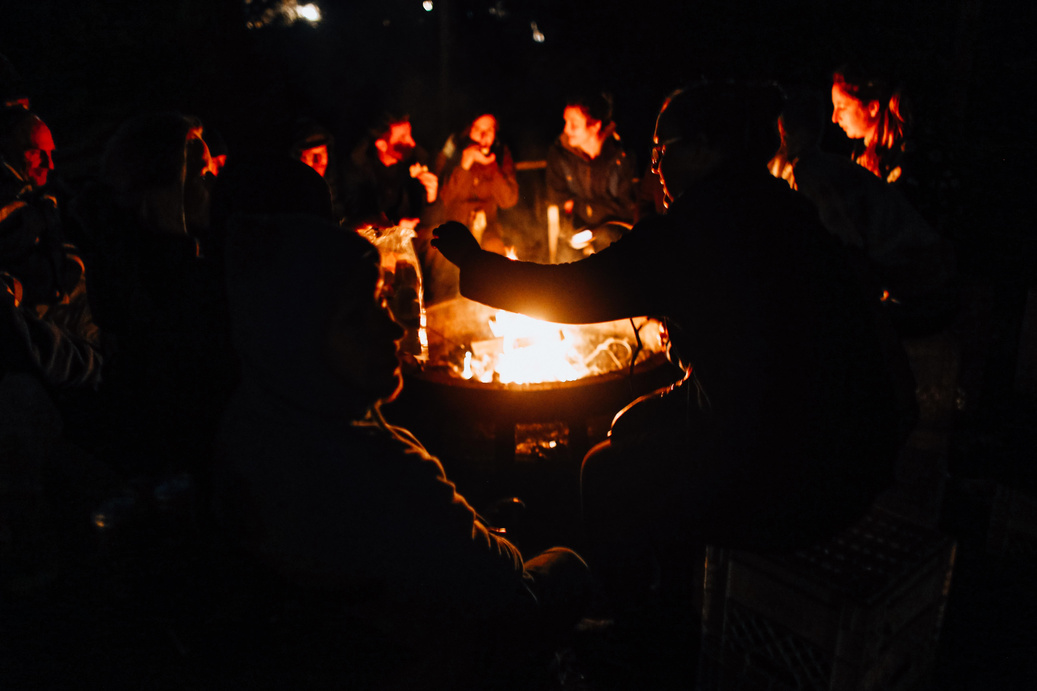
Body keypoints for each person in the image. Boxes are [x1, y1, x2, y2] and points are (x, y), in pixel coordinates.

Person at [433, 81, 911, 609]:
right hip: (855, 446)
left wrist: (475, 265)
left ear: (707, 146)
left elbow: (567, 292)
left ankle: (636, 621)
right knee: (631, 425)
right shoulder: (782, 205)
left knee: (604, 469)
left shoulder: (696, 228)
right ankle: (674, 579)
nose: (654, 165)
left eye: (664, 149)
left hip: (793, 474)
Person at [213, 214, 591, 689]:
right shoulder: (385, 468)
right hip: (417, 651)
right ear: (300, 340)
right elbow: (496, 580)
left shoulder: (247, 422)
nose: (393, 327)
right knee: (567, 566)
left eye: (382, 303)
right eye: (360, 316)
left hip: (340, 637)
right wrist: (501, 545)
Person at [774, 86, 958, 337]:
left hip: (924, 289)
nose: (835, 118)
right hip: (912, 282)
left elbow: (847, 249)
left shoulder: (812, 174)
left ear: (783, 133)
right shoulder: (826, 168)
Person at [426, 112, 519, 301]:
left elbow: (508, 200)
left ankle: (491, 316)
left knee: (496, 262)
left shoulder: (501, 153)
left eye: (489, 130)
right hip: (453, 228)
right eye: (478, 129)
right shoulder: (452, 151)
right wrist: (465, 165)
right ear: (468, 130)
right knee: (445, 262)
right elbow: (444, 198)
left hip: (489, 230)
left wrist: (491, 166)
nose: (484, 137)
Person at [545, 92, 636, 260]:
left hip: (612, 237)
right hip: (574, 236)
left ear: (595, 125)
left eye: (574, 124)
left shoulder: (621, 156)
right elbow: (557, 199)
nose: (566, 129)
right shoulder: (559, 154)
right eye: (566, 122)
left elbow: (626, 208)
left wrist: (593, 220)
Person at [343, 113, 438, 231]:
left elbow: (430, 227)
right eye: (402, 137)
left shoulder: (417, 161)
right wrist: (396, 224)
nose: (412, 143)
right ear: (382, 145)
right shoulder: (358, 168)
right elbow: (355, 219)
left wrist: (432, 199)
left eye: (409, 134)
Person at [830, 65, 910, 185]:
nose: (834, 118)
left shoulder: (902, 158)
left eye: (842, 107)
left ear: (872, 107)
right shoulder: (860, 152)